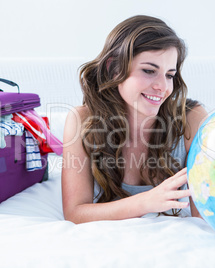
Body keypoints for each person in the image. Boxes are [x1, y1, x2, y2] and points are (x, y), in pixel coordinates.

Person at [62, 15, 207, 224]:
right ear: (114, 69)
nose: (163, 87)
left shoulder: (191, 120)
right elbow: (75, 213)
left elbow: (205, 218)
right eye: (149, 71)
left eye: (169, 75)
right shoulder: (82, 121)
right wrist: (146, 202)